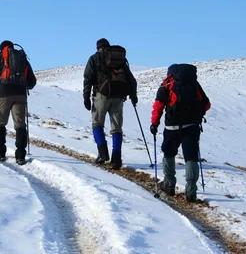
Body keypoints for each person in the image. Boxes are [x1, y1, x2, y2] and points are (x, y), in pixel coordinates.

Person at [150, 64, 211, 202]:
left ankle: (169, 184)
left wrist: (154, 124)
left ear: (170, 73)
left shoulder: (167, 84)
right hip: (192, 126)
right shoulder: (194, 84)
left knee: (169, 153)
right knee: (191, 157)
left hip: (172, 126)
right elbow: (207, 104)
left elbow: (158, 106)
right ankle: (191, 192)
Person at [83, 38, 138, 170]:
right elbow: (131, 80)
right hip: (118, 98)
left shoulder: (94, 58)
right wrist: (133, 95)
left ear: (98, 48)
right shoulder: (119, 60)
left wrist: (86, 97)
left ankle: (103, 154)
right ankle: (116, 160)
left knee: (97, 124)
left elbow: (88, 79)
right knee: (117, 128)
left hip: (101, 96)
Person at [0, 40, 37, 165]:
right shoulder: (22, 59)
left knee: (0, 123)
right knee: (20, 125)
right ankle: (20, 156)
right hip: (20, 95)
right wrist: (23, 85)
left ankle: (0, 152)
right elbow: (32, 81)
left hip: (3, 94)